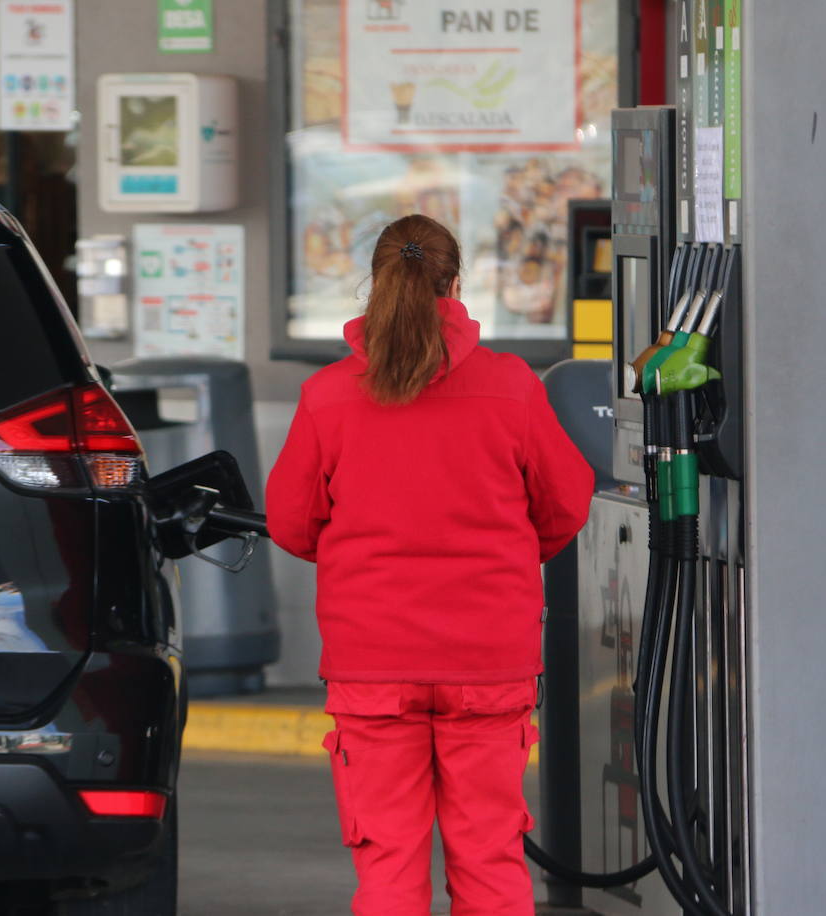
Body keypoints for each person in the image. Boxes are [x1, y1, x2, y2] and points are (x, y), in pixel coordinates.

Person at [265, 213, 595, 915]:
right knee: (491, 855)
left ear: (377, 283)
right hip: (488, 660)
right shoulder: (512, 387)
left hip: (372, 664)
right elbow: (565, 503)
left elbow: (292, 524)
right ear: (455, 282)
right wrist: (504, 558)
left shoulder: (328, 396)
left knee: (388, 861)